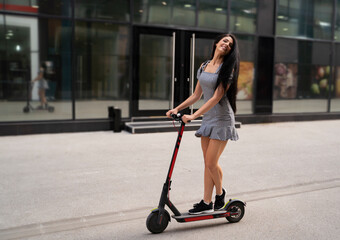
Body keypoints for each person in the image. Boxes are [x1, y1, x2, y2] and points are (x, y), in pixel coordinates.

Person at [166, 33, 240, 215]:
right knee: (207, 163)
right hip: (208, 119)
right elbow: (196, 95)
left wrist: (193, 116)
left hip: (222, 119)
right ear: (216, 42)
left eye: (230, 44)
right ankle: (207, 201)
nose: (226, 45)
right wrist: (177, 108)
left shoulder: (227, 68)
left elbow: (216, 97)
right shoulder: (204, 66)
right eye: (224, 40)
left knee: (211, 162)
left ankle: (220, 195)